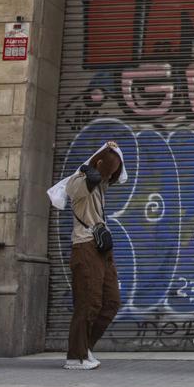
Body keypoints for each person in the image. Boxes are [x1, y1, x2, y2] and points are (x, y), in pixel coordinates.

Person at [62, 141, 126, 370]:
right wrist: (91, 168)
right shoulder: (79, 182)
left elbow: (118, 178)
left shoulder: (101, 184)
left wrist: (112, 151)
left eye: (113, 170)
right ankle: (75, 356)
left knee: (111, 301)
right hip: (85, 246)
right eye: (108, 169)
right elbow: (80, 185)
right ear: (98, 164)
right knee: (88, 302)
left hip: (101, 249)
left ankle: (84, 347)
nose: (111, 175)